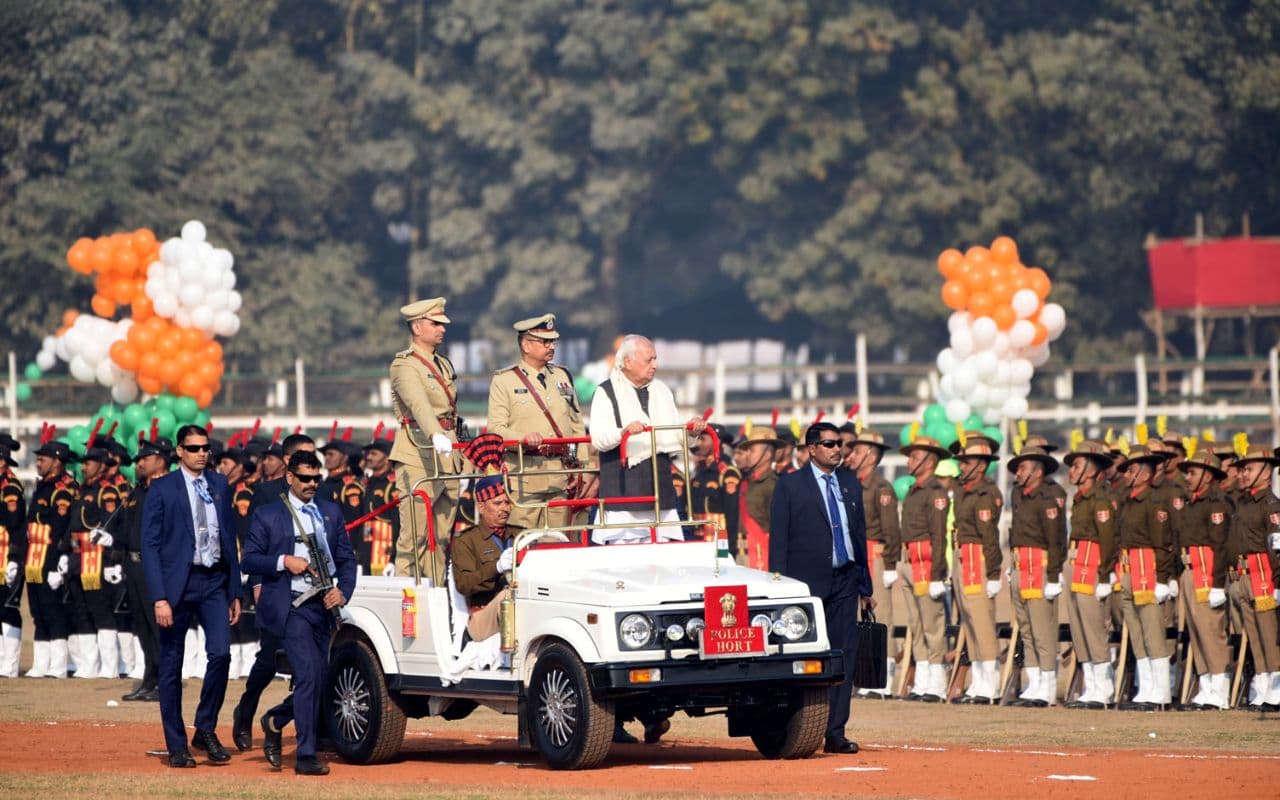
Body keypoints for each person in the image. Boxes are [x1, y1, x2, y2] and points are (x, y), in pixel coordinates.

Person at [243, 449, 356, 776]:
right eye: (304, 478)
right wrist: (283, 562)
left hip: (323, 606)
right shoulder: (267, 514)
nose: (311, 484)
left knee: (320, 677)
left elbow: (347, 560)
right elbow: (248, 560)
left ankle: (276, 719)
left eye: (315, 478)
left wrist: (342, 591)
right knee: (308, 674)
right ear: (289, 477)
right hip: (290, 606)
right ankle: (305, 753)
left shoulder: (331, 512)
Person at [141, 424, 243, 768]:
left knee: (221, 655)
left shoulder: (219, 484)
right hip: (176, 587)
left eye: (206, 447)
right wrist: (159, 597)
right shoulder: (162, 489)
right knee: (171, 666)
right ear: (180, 451)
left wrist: (234, 590)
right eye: (194, 448)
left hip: (213, 581)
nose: (202, 453)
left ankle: (206, 728)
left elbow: (229, 537)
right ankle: (177, 745)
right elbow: (150, 546)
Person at [769, 421, 873, 754]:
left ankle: (836, 731)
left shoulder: (848, 482)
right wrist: (779, 586)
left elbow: (858, 534)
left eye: (839, 444)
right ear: (811, 449)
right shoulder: (789, 485)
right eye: (829, 444)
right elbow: (779, 541)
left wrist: (865, 584)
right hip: (805, 584)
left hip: (845, 578)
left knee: (844, 655)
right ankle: (799, 725)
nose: (836, 449)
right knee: (806, 657)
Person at [232, 432, 316, 752]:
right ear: (287, 461)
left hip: (311, 589)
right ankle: (246, 710)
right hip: (274, 586)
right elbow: (253, 548)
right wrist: (256, 585)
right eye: (304, 456)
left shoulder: (316, 492)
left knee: (312, 660)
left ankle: (299, 723)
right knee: (269, 659)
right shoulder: (266, 494)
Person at [588, 335, 705, 544]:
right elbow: (598, 439)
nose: (655, 365)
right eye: (649, 360)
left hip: (660, 486)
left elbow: (674, 435)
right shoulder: (605, 392)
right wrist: (623, 432)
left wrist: (692, 431)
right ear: (628, 362)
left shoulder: (662, 390)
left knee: (664, 552)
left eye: (655, 359)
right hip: (623, 489)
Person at [486, 313, 587, 531]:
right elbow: (495, 430)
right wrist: (523, 438)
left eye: (553, 341)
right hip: (525, 478)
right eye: (545, 341)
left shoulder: (562, 376)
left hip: (560, 476)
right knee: (523, 544)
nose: (551, 346)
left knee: (557, 544)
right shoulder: (504, 380)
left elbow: (576, 423)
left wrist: (582, 467)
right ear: (526, 344)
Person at [390, 298, 461, 585]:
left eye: (442, 324)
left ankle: (435, 595)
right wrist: (435, 434)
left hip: (447, 452)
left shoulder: (443, 364)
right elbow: (418, 405)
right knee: (415, 537)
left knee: (441, 536)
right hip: (417, 451)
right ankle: (408, 606)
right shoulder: (404, 365)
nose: (442, 329)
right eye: (435, 324)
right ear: (417, 327)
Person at [1112, 444, 1175, 711]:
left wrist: (1162, 578)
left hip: (1147, 570)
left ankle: (1160, 691)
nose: (1125, 475)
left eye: (1130, 471)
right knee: (1137, 634)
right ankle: (1146, 687)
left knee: (1152, 632)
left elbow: (1163, 543)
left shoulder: (1155, 503)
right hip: (1128, 570)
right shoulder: (1128, 501)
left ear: (1144, 473)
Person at [1005, 445, 1067, 707]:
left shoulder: (1048, 497)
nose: (1018, 472)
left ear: (1037, 470)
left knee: (1042, 630)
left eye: (1023, 467)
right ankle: (1034, 683)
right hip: (1020, 566)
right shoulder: (1018, 494)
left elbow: (1056, 540)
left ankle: (1048, 686)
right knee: (1027, 629)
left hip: (1039, 568)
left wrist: (1053, 575)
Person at [1060, 439, 1118, 709]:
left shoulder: (1102, 499)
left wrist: (1106, 577)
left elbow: (1107, 540)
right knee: (1080, 629)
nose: (1071, 471)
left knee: (1094, 628)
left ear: (1093, 471)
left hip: (1093, 566)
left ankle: (1103, 687)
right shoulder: (1080, 498)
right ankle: (1091, 686)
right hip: (1076, 564)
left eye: (1077, 466)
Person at [843, 426, 900, 699]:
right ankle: (864, 674)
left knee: (879, 617)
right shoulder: (851, 483)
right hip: (856, 557)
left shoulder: (881, 487)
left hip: (875, 556)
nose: (849, 455)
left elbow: (891, 530)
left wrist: (890, 565)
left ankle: (883, 678)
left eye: (855, 450)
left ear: (870, 454)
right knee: (858, 619)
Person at [1174, 449, 1233, 710]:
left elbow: (1221, 547)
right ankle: (1206, 685)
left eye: (1193, 472)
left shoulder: (1217, 504)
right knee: (1197, 632)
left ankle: (1219, 689)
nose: (1188, 477)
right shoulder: (1193, 502)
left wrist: (1218, 585)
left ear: (1208, 476)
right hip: (1189, 569)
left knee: (1211, 631)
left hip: (1207, 572)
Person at [948, 432, 1003, 704]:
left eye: (967, 462)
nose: (962, 466)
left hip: (978, 558)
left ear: (981, 465)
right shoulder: (963, 490)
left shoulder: (986, 494)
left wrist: (993, 573)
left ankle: (990, 684)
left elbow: (990, 537)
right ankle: (978, 683)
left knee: (982, 622)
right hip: (962, 556)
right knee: (969, 623)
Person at [1224, 443, 1280, 710]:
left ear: (1266, 473)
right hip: (1243, 575)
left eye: (1250, 469)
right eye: (1243, 469)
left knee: (1269, 634)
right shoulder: (1243, 503)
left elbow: (1276, 545)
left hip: (1264, 575)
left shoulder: (1271, 506)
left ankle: (1277, 687)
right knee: (1254, 636)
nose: (1243, 474)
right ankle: (1263, 685)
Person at [897, 435, 951, 702]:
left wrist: (938, 574)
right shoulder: (913, 490)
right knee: (916, 625)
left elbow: (940, 535)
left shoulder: (936, 493)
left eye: (915, 457)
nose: (909, 461)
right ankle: (922, 681)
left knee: (932, 625)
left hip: (927, 564)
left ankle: (937, 683)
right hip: (909, 562)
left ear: (930, 461)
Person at [66, 445, 125, 678]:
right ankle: (89, 666)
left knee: (101, 611)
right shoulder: (82, 490)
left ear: (101, 465)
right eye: (83, 463)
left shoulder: (106, 491)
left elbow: (113, 526)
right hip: (77, 555)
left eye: (88, 463)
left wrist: (113, 561)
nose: (83, 466)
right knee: (82, 611)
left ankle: (109, 667)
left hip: (97, 557)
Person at [23, 439, 79, 678]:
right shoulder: (42, 486)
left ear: (57, 461)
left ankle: (57, 666)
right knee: (37, 610)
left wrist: (61, 560)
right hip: (35, 557)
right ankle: (40, 663)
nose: (38, 463)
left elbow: (63, 527)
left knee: (53, 609)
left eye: (43, 459)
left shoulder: (64, 488)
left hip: (53, 556)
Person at [120, 438, 171, 701]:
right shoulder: (138, 490)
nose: (139, 463)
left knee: (157, 625)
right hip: (133, 564)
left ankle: (165, 682)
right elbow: (126, 526)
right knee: (141, 624)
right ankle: (149, 679)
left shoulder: (166, 489)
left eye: (145, 458)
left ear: (160, 461)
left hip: (156, 566)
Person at [451, 471, 523, 641]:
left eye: (507, 502)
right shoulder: (466, 540)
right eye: (498, 503)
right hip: (482, 616)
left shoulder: (520, 534)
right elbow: (464, 584)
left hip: (521, 605)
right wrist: (496, 567)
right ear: (481, 507)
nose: (505, 508)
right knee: (508, 597)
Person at [735, 427, 782, 569]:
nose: (747, 454)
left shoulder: (773, 485)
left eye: (751, 450)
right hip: (742, 546)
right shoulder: (746, 481)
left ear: (767, 454)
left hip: (763, 550)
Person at [0, 433, 27, 677]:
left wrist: (14, 561)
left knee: (8, 607)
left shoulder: (11, 487)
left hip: (8, 555)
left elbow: (16, 526)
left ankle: (9, 665)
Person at [362, 438, 399, 576]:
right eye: (368, 454)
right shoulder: (369, 482)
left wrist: (394, 557)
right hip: (367, 548)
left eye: (374, 454)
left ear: (387, 458)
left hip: (384, 551)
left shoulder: (392, 485)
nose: (369, 457)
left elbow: (398, 524)